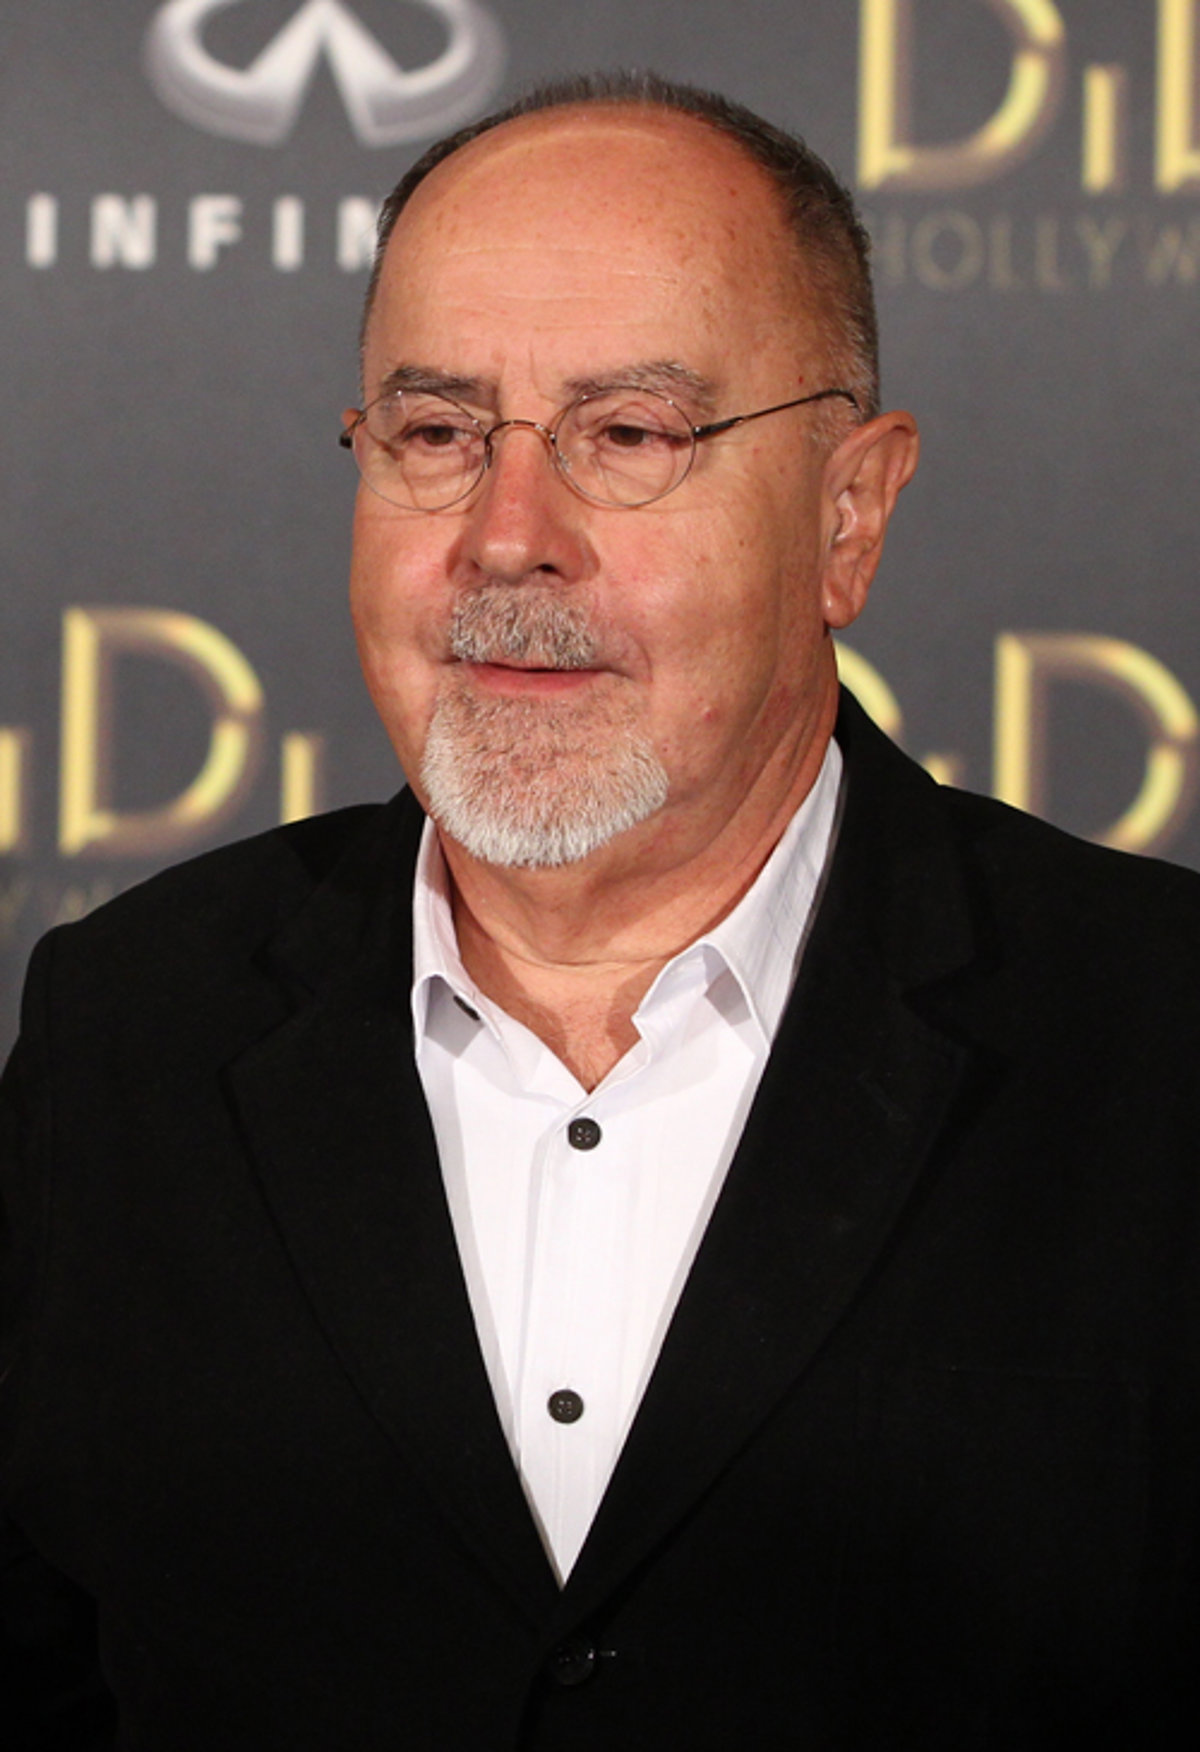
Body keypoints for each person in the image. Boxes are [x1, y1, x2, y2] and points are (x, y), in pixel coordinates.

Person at [2, 70, 1198, 1751]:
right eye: (437, 435)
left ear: (849, 513)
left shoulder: (1158, 1032)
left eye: (629, 435)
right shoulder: (128, 1023)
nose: (509, 539)